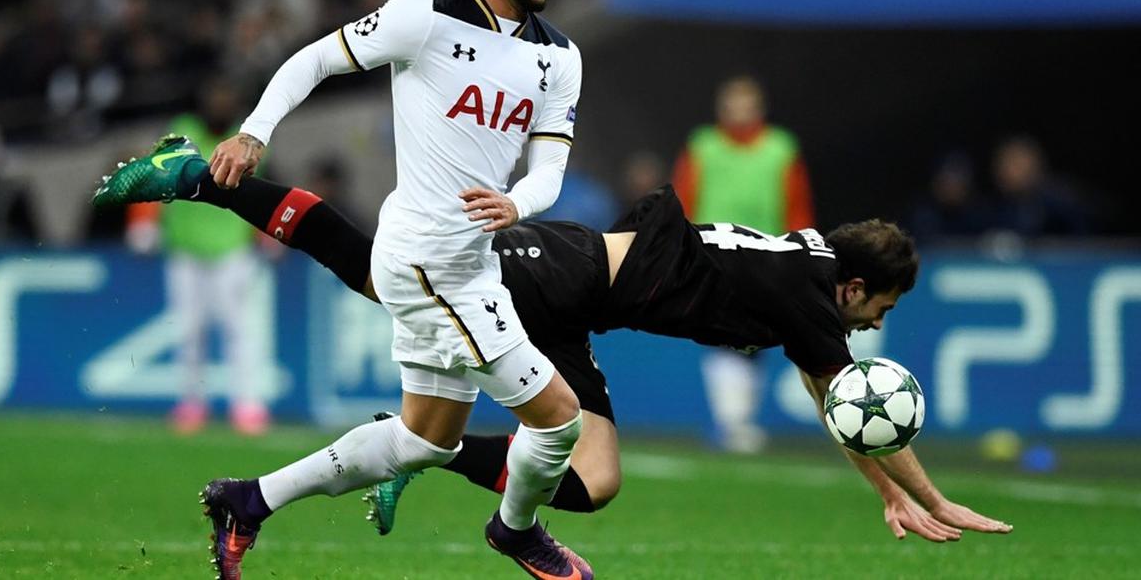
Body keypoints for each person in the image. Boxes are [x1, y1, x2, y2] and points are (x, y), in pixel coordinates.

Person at [98, 155, 1013, 548]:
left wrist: (895, 493)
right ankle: (206, 182)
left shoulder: (811, 268)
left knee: (595, 481)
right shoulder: (812, 295)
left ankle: (423, 456)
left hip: (576, 305)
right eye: (875, 310)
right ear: (853, 287)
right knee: (379, 272)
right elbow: (846, 410)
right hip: (556, 272)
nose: (865, 330)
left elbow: (839, 409)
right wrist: (925, 497)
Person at [95, 0, 594, 580]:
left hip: (469, 265)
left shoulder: (558, 58)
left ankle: (250, 500)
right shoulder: (423, 19)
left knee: (424, 441)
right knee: (558, 418)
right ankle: (516, 533)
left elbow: (548, 168)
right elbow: (315, 59)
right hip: (427, 261)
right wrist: (252, 132)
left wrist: (519, 203)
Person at [672, 75, 816, 453]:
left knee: (759, 338)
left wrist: (801, 250)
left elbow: (796, 202)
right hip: (712, 253)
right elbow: (683, 196)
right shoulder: (703, 146)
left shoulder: (780, 148)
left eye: (746, 104)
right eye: (733, 103)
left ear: (759, 108)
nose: (739, 111)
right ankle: (732, 422)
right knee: (721, 335)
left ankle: (740, 420)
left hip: (768, 253)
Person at [123, 78, 272, 435]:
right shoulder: (182, 132)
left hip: (232, 249)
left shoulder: (245, 138)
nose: (219, 103)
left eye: (226, 96)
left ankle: (247, 404)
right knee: (189, 330)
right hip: (185, 248)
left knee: (239, 330)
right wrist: (144, 221)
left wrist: (265, 235)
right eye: (214, 96)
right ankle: (192, 403)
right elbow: (155, 175)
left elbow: (258, 190)